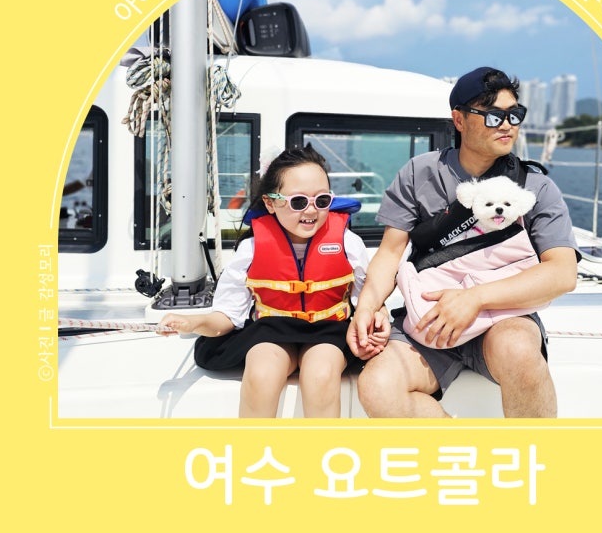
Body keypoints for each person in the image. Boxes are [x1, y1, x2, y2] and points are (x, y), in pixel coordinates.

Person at [347, 67, 580, 418]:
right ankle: (463, 449)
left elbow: (562, 273)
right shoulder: (419, 173)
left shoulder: (536, 188)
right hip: (429, 321)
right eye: (493, 116)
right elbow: (390, 252)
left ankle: (533, 453)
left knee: (519, 350)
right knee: (378, 386)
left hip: (503, 318)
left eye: (514, 114)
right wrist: (366, 307)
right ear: (459, 119)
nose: (507, 125)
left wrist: (473, 298)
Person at [160, 145, 388, 418]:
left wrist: (379, 316)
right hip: (271, 330)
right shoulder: (251, 249)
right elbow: (227, 316)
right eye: (298, 202)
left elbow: (369, 300)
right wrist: (193, 323)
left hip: (329, 330)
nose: (311, 210)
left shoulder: (349, 244)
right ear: (270, 203)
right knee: (262, 373)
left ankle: (324, 445)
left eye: (322, 200)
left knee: (320, 374)